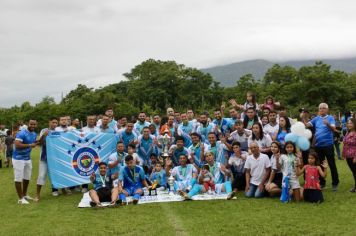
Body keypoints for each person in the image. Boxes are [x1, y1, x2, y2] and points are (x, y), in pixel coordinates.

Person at [306, 103, 339, 190]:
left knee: (332, 164)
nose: (321, 110)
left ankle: (335, 183)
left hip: (328, 145)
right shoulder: (316, 119)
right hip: (318, 146)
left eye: (323, 108)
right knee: (319, 165)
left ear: (327, 109)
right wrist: (305, 120)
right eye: (320, 108)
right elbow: (308, 124)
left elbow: (333, 129)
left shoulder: (330, 118)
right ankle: (322, 183)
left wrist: (328, 124)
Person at [12, 119, 38, 204]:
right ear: (28, 124)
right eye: (31, 124)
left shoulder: (34, 134)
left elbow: (35, 142)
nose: (33, 126)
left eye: (34, 124)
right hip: (18, 158)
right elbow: (17, 144)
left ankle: (24, 194)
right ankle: (20, 199)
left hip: (27, 158)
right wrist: (30, 145)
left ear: (36, 125)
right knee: (18, 178)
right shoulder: (22, 132)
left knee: (27, 177)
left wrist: (43, 137)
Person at [35, 117, 59, 201]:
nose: (54, 124)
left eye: (56, 123)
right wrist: (43, 136)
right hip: (44, 157)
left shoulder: (58, 131)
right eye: (53, 122)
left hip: (55, 158)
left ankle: (60, 190)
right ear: (49, 122)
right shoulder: (44, 130)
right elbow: (39, 143)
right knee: (41, 175)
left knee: (57, 174)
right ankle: (37, 195)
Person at [342, 118, 356, 192]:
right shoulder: (347, 132)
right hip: (348, 156)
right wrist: (343, 154)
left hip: (353, 156)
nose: (349, 124)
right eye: (348, 123)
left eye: (351, 123)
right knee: (354, 172)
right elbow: (345, 144)